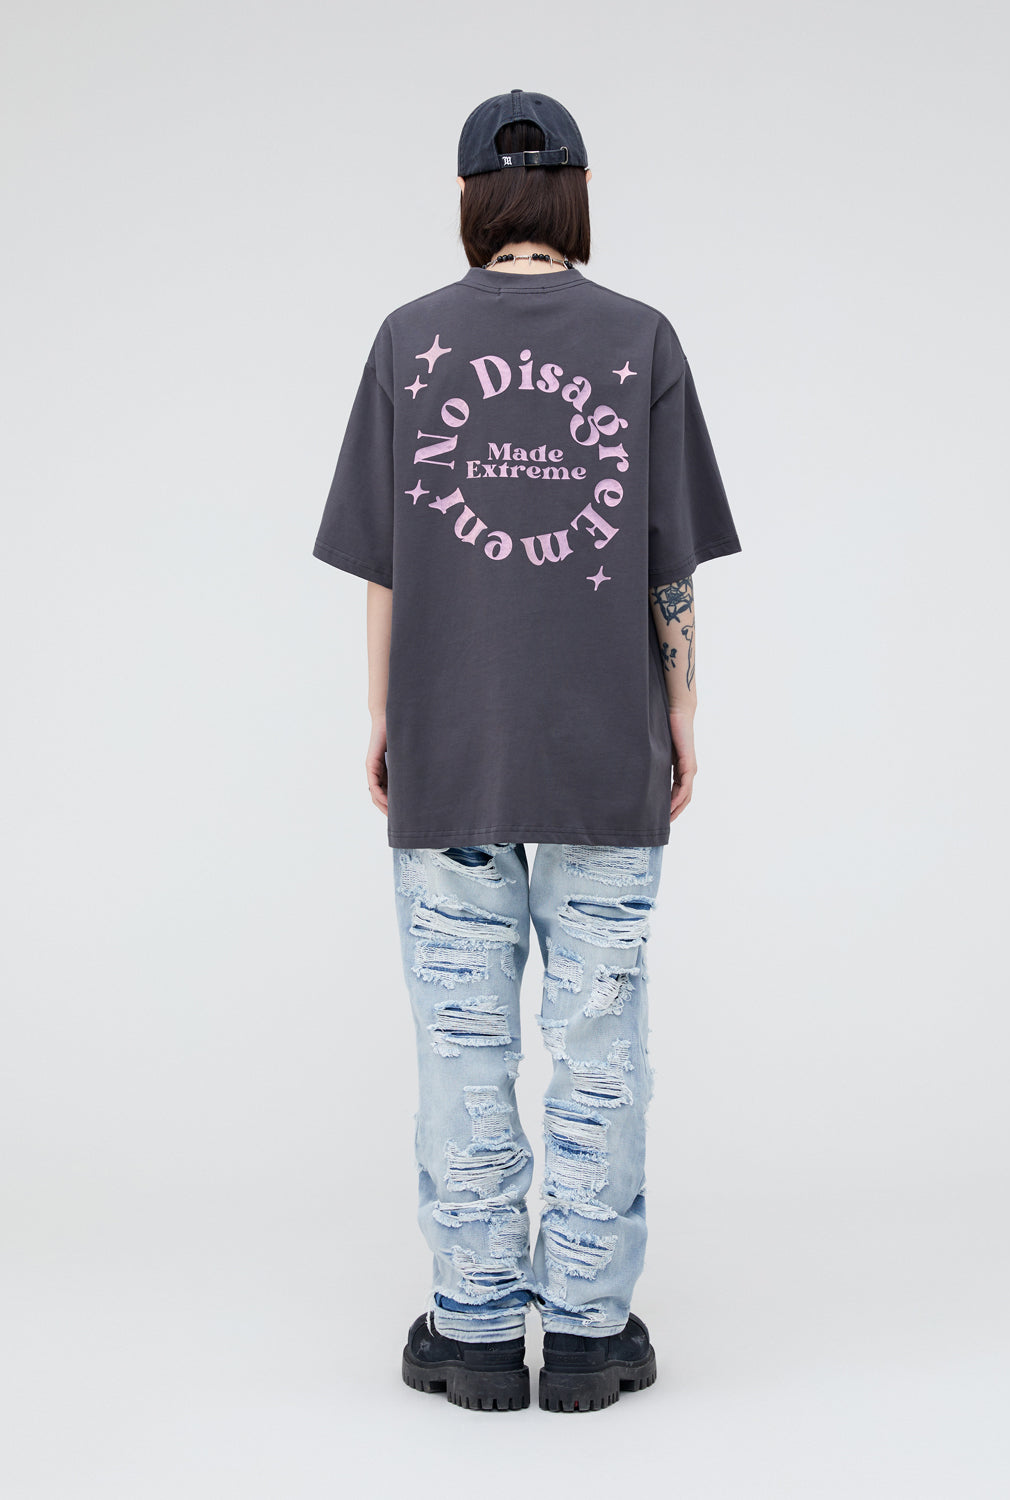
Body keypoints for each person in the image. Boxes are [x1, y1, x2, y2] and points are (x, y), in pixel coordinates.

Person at [311, 90, 742, 1413]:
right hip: (602, 749)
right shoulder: (639, 338)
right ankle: (594, 1336)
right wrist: (680, 711)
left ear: (468, 201)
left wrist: (385, 716)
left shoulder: (408, 341)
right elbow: (669, 566)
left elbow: (385, 567)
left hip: (453, 748)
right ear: (577, 194)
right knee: (600, 1052)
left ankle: (479, 1330)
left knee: (463, 1048)